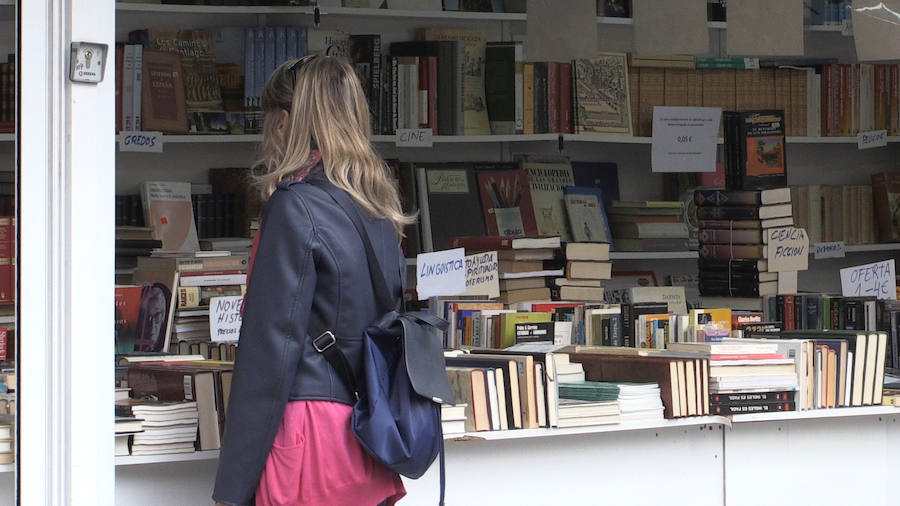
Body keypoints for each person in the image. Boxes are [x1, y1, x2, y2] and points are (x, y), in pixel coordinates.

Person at [212, 56, 412, 506]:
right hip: (366, 436)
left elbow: (269, 353)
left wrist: (233, 485)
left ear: (284, 123)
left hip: (306, 438)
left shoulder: (293, 207)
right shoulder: (380, 206)